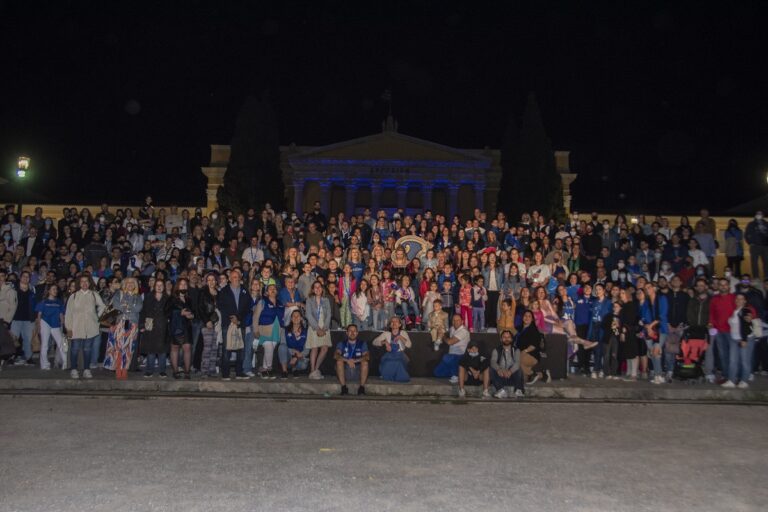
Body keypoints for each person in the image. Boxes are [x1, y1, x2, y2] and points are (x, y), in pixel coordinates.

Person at [65, 275, 106, 379]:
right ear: (79, 283)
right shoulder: (74, 296)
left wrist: (97, 317)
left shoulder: (94, 294)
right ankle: (74, 369)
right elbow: (68, 313)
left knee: (87, 349)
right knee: (74, 349)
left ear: (89, 283)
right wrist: (68, 328)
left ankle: (87, 369)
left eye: (86, 281)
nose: (84, 283)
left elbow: (102, 306)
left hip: (90, 327)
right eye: (82, 281)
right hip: (76, 327)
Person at [104, 277, 143, 378]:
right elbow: (117, 306)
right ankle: (118, 368)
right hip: (119, 323)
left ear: (135, 285)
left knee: (129, 348)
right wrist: (130, 307)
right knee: (118, 347)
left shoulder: (138, 296)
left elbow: (138, 308)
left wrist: (126, 306)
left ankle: (125, 369)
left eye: (132, 282)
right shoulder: (118, 294)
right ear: (124, 284)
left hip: (132, 324)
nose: (130, 284)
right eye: (128, 282)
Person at [216, 268, 250, 380]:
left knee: (241, 348)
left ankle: (239, 372)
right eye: (234, 277)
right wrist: (232, 317)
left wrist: (238, 318)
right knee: (227, 349)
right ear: (229, 279)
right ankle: (225, 373)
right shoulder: (224, 291)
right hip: (228, 323)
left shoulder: (244, 290)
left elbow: (247, 307)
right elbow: (221, 306)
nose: (236, 279)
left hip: (240, 323)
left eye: (238, 277)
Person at [722, 294, 758, 389]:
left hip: (745, 339)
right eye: (737, 298)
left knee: (745, 361)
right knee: (733, 361)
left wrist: (744, 339)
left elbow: (746, 325)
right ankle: (731, 380)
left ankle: (744, 381)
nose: (738, 300)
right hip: (734, 339)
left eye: (741, 299)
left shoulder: (746, 310)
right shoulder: (735, 311)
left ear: (745, 301)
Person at [139, 279, 171, 377]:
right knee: (150, 349)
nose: (159, 287)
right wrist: (142, 325)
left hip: (163, 326)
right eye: (157, 285)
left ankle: (162, 370)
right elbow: (143, 312)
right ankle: (149, 370)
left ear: (164, 287)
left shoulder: (168, 298)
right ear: (154, 286)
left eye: (161, 285)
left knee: (163, 350)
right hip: (150, 323)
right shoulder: (148, 297)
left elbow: (171, 313)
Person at [253, 283, 284, 379]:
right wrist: (255, 330)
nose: (273, 290)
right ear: (266, 292)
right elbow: (255, 316)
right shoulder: (262, 302)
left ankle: (264, 370)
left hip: (277, 330)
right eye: (270, 289)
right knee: (269, 346)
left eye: (274, 288)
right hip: (264, 329)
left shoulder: (280, 303)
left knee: (269, 349)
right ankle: (269, 369)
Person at [34, 284, 65, 370]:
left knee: (61, 343)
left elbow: (61, 314)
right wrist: (39, 326)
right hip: (45, 322)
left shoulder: (59, 302)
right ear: (49, 291)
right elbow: (39, 315)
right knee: (45, 344)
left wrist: (63, 324)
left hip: (56, 324)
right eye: (53, 289)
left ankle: (65, 362)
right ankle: (44, 365)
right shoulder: (43, 302)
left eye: (56, 289)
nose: (55, 291)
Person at [372, 316, 411, 382]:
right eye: (392, 321)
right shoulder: (386, 333)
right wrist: (385, 342)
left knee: (398, 363)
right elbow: (374, 342)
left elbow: (409, 345)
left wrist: (401, 337)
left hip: (400, 355)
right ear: (390, 325)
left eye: (396, 321)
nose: (394, 323)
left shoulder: (403, 333)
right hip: (389, 355)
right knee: (387, 362)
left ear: (400, 324)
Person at [433, 314, 470, 384]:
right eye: (454, 320)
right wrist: (440, 330)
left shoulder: (464, 331)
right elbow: (444, 330)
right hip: (451, 358)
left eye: (458, 320)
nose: (455, 322)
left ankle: (456, 375)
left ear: (462, 321)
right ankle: (459, 374)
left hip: (460, 357)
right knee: (437, 372)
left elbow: (450, 342)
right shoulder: (452, 328)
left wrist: (443, 336)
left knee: (446, 357)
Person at [306, 280, 332, 379]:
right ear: (313, 289)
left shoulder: (326, 300)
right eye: (315, 287)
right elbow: (308, 315)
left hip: (324, 326)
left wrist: (324, 328)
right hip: (314, 326)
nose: (317, 289)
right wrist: (317, 328)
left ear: (322, 289)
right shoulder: (309, 300)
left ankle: (316, 370)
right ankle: (312, 370)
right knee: (315, 348)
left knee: (325, 348)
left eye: (319, 287)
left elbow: (329, 314)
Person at [334, 324, 369, 395]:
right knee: (339, 362)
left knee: (365, 362)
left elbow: (367, 356)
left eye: (354, 331)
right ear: (347, 333)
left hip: (358, 371)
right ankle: (344, 388)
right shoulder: (342, 343)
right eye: (350, 331)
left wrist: (355, 361)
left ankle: (361, 388)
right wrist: (347, 361)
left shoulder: (362, 343)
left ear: (357, 333)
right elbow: (336, 355)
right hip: (345, 371)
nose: (352, 333)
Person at [516, 309, 548, 384]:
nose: (527, 318)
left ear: (532, 319)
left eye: (529, 316)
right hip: (521, 354)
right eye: (525, 316)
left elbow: (534, 345)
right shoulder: (519, 329)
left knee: (516, 359)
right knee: (524, 379)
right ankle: (542, 375)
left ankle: (533, 374)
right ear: (522, 317)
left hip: (531, 355)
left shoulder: (534, 330)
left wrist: (524, 351)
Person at [197, 272, 219, 378]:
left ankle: (211, 370)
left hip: (217, 323)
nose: (211, 282)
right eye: (209, 280)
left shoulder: (218, 292)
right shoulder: (203, 292)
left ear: (216, 281)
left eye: (213, 280)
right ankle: (204, 371)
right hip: (207, 323)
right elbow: (200, 308)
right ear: (206, 281)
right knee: (207, 348)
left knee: (214, 347)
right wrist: (207, 321)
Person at [490, 329, 524, 398]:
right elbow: (493, 362)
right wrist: (499, 369)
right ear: (501, 339)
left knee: (519, 368)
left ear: (511, 339)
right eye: (504, 337)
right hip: (500, 377)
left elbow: (517, 363)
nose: (506, 339)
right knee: (491, 369)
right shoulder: (496, 350)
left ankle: (518, 390)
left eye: (508, 337)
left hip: (512, 377)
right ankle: (500, 391)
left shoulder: (516, 350)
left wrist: (510, 371)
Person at [278, 309, 309, 377]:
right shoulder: (285, 330)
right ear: (291, 319)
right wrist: (293, 351)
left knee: (303, 365)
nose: (296, 318)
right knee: (282, 347)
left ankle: (294, 369)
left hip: (299, 358)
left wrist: (296, 357)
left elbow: (307, 349)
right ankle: (284, 371)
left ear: (301, 318)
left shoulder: (306, 332)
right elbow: (283, 345)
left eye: (298, 316)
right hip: (288, 358)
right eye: (294, 316)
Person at [745, 211, 768, 280]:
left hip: (765, 246)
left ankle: (766, 277)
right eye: (757, 214)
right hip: (754, 246)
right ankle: (756, 278)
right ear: (755, 215)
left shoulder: (766, 224)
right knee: (754, 263)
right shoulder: (751, 224)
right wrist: (750, 242)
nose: (759, 215)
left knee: (766, 262)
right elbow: (746, 234)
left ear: (763, 215)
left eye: (760, 214)